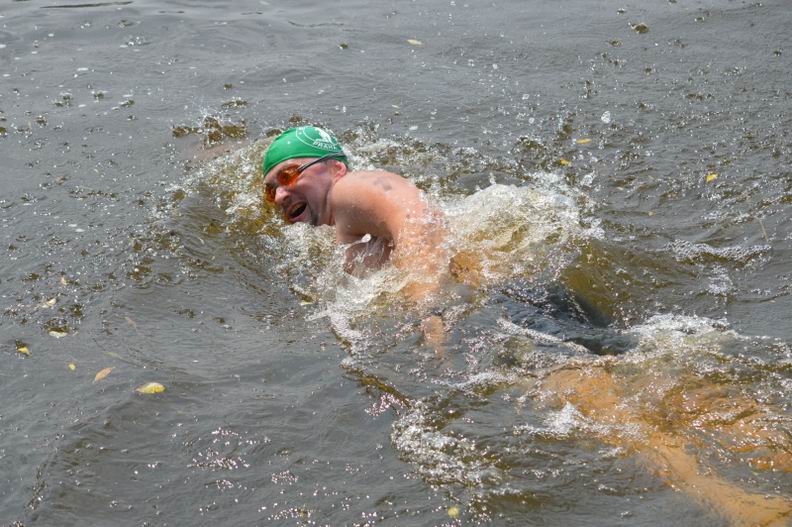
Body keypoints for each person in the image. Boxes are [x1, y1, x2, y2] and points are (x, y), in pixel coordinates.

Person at [262, 125, 448, 305]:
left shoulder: (345, 190)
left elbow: (419, 218)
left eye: (288, 175)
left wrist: (430, 310)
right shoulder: (329, 231)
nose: (279, 197)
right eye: (271, 191)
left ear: (336, 169)